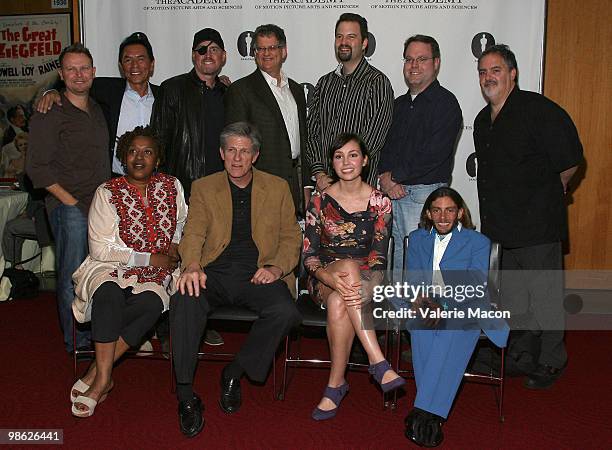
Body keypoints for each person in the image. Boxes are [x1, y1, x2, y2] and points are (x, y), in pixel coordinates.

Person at [170, 122, 301, 438]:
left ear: (255, 155)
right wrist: (191, 266)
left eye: (244, 151)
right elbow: (194, 234)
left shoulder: (278, 186)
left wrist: (276, 268)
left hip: (258, 273)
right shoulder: (204, 186)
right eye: (231, 150)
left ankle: (234, 371)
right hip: (213, 272)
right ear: (221, 154)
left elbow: (291, 237)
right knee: (184, 300)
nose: (237, 158)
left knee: (286, 312)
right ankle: (186, 395)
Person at [474, 44, 583, 389]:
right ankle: (522, 354)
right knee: (514, 299)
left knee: (546, 297)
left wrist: (553, 191)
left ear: (513, 73)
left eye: (495, 70)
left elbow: (570, 160)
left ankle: (552, 359)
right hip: (500, 229)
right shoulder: (481, 121)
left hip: (537, 225)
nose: (488, 77)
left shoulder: (539, 110)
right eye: (483, 71)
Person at [70, 126, 187, 417]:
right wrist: (148, 258)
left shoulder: (172, 186)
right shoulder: (107, 192)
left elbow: (183, 221)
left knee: (149, 304)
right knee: (108, 296)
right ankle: (102, 383)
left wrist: (174, 245)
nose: (139, 157)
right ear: (123, 157)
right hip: (111, 267)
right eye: (133, 151)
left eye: (147, 152)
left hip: (158, 273)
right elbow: (100, 249)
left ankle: (99, 371)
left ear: (157, 159)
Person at [303, 132, 405, 421]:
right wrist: (330, 278)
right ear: (332, 164)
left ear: (365, 160)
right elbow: (309, 256)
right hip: (323, 276)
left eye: (353, 155)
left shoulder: (380, 202)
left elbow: (378, 257)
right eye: (338, 156)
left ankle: (335, 386)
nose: (346, 162)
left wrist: (369, 286)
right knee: (346, 267)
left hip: (364, 281)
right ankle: (378, 361)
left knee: (339, 303)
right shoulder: (319, 201)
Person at [400, 187, 509, 447]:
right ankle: (430, 416)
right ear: (428, 212)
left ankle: (424, 412)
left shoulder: (477, 242)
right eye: (436, 210)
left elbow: (475, 284)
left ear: (460, 212)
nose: (443, 216)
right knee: (422, 326)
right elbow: (413, 280)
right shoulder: (416, 239)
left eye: (449, 210)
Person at [26, 43, 111, 355]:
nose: (78, 74)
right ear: (61, 74)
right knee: (73, 276)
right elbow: (36, 168)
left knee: (97, 275)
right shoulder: (50, 111)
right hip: (69, 207)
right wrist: (72, 204)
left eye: (84, 68)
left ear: (93, 73)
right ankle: (77, 341)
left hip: (100, 207)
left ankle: (97, 332)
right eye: (71, 69)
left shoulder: (97, 108)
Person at [378, 35, 462, 273]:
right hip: (392, 194)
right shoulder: (399, 104)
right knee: (395, 259)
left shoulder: (446, 103)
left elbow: (434, 153)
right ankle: (398, 308)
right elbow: (385, 146)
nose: (413, 65)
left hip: (424, 194)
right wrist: (386, 178)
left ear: (436, 63)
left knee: (420, 263)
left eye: (421, 59)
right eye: (409, 59)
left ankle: (419, 310)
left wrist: (395, 176)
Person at [36, 32, 159, 178]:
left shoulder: (165, 96)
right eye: (128, 60)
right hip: (113, 181)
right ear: (121, 66)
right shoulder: (104, 89)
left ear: (151, 64)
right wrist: (52, 92)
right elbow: (74, 83)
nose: (134, 66)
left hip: (156, 181)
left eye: (141, 59)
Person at [224, 24, 308, 214]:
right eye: (260, 48)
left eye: (272, 47)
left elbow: (303, 141)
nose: (266, 53)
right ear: (254, 53)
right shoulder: (241, 91)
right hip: (258, 186)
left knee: (290, 241)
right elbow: (236, 146)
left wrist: (306, 187)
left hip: (294, 183)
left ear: (283, 51)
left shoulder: (295, 90)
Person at [306, 13, 393, 189]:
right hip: (324, 188)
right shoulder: (324, 83)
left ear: (364, 43)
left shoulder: (377, 83)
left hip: (358, 190)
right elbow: (312, 133)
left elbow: (372, 141)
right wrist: (320, 174)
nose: (343, 42)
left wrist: (340, 178)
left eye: (351, 36)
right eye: (339, 36)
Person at [151, 27, 228, 199]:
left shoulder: (229, 94)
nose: (208, 54)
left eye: (214, 49)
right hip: (183, 193)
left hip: (223, 193)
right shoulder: (172, 89)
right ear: (194, 56)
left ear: (223, 56)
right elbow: (157, 144)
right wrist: (165, 192)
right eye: (201, 50)